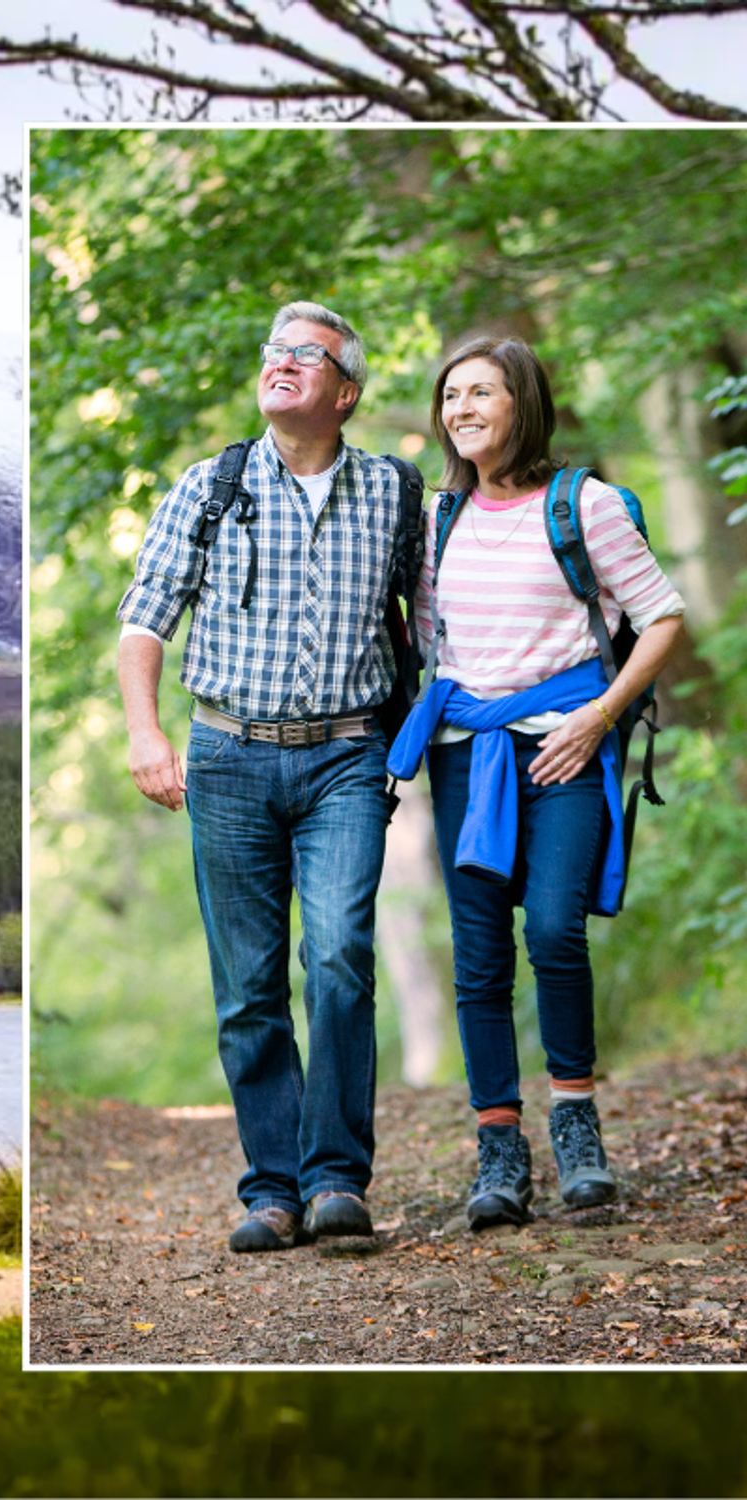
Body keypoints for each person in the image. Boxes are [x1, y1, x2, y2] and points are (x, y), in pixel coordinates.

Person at [117, 302, 416, 1253]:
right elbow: (143, 622)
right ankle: (271, 1191)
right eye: (274, 352)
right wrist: (143, 734)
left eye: (306, 355)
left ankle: (336, 1181)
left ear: (347, 392)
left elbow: (439, 625)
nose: (282, 364)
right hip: (228, 758)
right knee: (248, 987)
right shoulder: (209, 486)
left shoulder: (397, 494)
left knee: (336, 958)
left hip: (347, 758)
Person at [390, 336, 684, 1229]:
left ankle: (577, 1124)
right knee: (479, 958)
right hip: (465, 753)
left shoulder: (582, 506)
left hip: (566, 742)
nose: (461, 409)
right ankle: (499, 1151)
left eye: (481, 392)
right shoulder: (438, 517)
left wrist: (600, 717)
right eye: (450, 396)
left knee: (554, 927)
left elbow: (662, 615)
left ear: (522, 402)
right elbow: (428, 639)